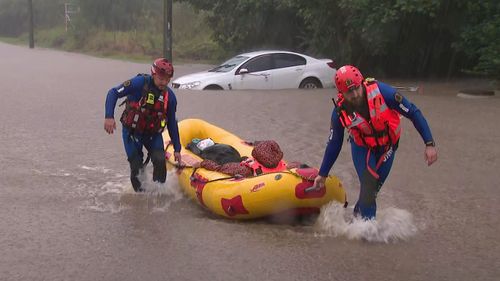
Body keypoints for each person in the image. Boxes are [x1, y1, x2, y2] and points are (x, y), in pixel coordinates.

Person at [312, 65, 438, 220]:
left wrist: (429, 144)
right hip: (362, 148)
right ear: (341, 93)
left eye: (357, 88)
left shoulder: (385, 93)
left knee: (371, 192)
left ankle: (357, 220)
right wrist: (323, 173)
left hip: (388, 147)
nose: (356, 94)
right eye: (350, 92)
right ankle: (368, 234)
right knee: (369, 187)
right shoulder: (339, 112)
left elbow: (413, 112)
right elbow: (334, 143)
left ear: (362, 82)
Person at [104, 58, 182, 192]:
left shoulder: (171, 98)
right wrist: (109, 116)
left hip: (152, 134)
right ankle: (140, 198)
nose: (164, 82)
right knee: (136, 165)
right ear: (153, 74)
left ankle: (158, 195)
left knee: (159, 160)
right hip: (132, 132)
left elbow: (172, 124)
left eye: (167, 79)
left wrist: (177, 148)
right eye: (161, 78)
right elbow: (113, 92)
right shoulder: (139, 83)